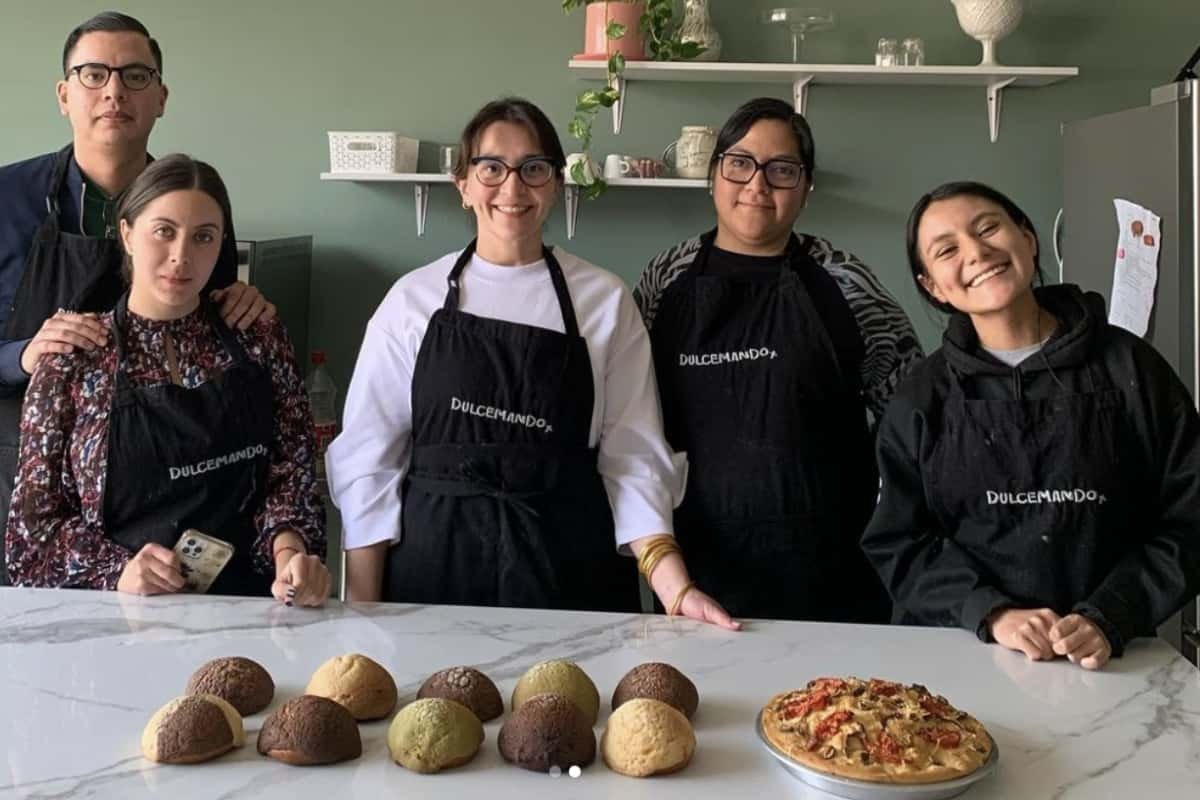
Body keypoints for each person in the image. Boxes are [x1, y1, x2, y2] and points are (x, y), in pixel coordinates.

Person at [328, 97, 737, 628]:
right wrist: (364, 615)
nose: (513, 187)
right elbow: (370, 463)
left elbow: (633, 458)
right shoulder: (411, 302)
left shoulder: (604, 300)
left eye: (534, 168)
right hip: (435, 575)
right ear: (463, 184)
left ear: (556, 184)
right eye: (491, 168)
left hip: (568, 570)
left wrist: (676, 590)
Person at [862, 180, 1200, 670]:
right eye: (947, 249)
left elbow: (1190, 519)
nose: (976, 253)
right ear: (932, 285)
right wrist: (991, 612)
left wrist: (1112, 614)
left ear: (1028, 238)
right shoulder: (921, 396)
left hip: (1112, 659)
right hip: (961, 658)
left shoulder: (1131, 368)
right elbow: (899, 542)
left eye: (989, 228)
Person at [0, 12, 273, 580]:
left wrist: (242, 303)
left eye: (135, 76)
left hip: (156, 505)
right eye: (93, 74)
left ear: (162, 96)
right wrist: (22, 356)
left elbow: (206, 326)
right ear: (64, 94)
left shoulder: (192, 202)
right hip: (22, 487)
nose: (114, 92)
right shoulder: (6, 201)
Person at [634, 97, 922, 622]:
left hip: (834, 571)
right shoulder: (664, 279)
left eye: (782, 170)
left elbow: (912, 419)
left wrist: (894, 530)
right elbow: (632, 423)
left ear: (806, 187)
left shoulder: (847, 283)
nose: (757, 185)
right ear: (714, 174)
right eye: (740, 163)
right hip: (695, 571)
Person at [5, 154, 329, 605]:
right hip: (119, 625)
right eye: (164, 231)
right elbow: (31, 538)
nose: (181, 256)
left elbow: (290, 472)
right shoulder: (74, 359)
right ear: (127, 234)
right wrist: (118, 571)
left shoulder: (257, 337)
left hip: (252, 611)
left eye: (203, 237)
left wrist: (290, 552)